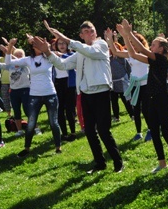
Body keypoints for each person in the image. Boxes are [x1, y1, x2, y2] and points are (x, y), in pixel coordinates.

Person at [33, 20, 124, 173]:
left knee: (103, 130)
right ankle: (100, 163)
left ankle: (118, 162)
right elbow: (62, 65)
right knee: (89, 131)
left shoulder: (101, 45)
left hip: (101, 92)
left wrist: (65, 38)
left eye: (92, 30)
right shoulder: (80, 52)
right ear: (81, 35)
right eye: (86, 31)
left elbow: (90, 52)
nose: (90, 33)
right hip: (86, 94)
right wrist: (47, 52)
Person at [114, 21, 168, 173]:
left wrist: (129, 33)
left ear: (161, 49)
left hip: (162, 100)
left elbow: (140, 49)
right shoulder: (153, 60)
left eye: (153, 44)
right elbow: (132, 54)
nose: (151, 46)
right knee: (155, 132)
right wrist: (125, 36)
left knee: (166, 132)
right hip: (151, 100)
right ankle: (162, 163)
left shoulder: (162, 60)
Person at [3, 35, 62, 157]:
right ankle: (27, 148)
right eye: (37, 43)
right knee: (31, 123)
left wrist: (45, 47)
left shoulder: (50, 57)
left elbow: (56, 55)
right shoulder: (28, 60)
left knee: (53, 122)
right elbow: (8, 62)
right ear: (33, 47)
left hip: (50, 93)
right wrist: (9, 47)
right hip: (34, 94)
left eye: (41, 43)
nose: (40, 45)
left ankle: (58, 147)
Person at [110, 32, 150, 141]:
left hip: (145, 85)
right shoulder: (130, 54)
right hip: (134, 85)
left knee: (146, 110)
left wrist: (127, 34)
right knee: (136, 110)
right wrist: (109, 38)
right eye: (131, 43)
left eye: (133, 42)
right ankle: (138, 133)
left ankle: (150, 130)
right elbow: (115, 51)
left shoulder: (146, 54)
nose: (131, 45)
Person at [52, 37, 78, 141]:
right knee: (60, 110)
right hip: (58, 83)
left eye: (64, 43)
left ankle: (72, 132)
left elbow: (68, 58)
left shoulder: (71, 55)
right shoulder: (54, 55)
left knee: (70, 110)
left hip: (69, 83)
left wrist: (60, 55)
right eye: (59, 44)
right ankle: (64, 133)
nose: (62, 45)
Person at [109, 41, 134, 122]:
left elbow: (128, 69)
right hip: (113, 83)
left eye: (116, 47)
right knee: (114, 101)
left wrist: (129, 79)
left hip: (122, 82)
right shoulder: (109, 60)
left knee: (126, 100)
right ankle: (116, 117)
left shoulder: (122, 59)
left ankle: (132, 114)